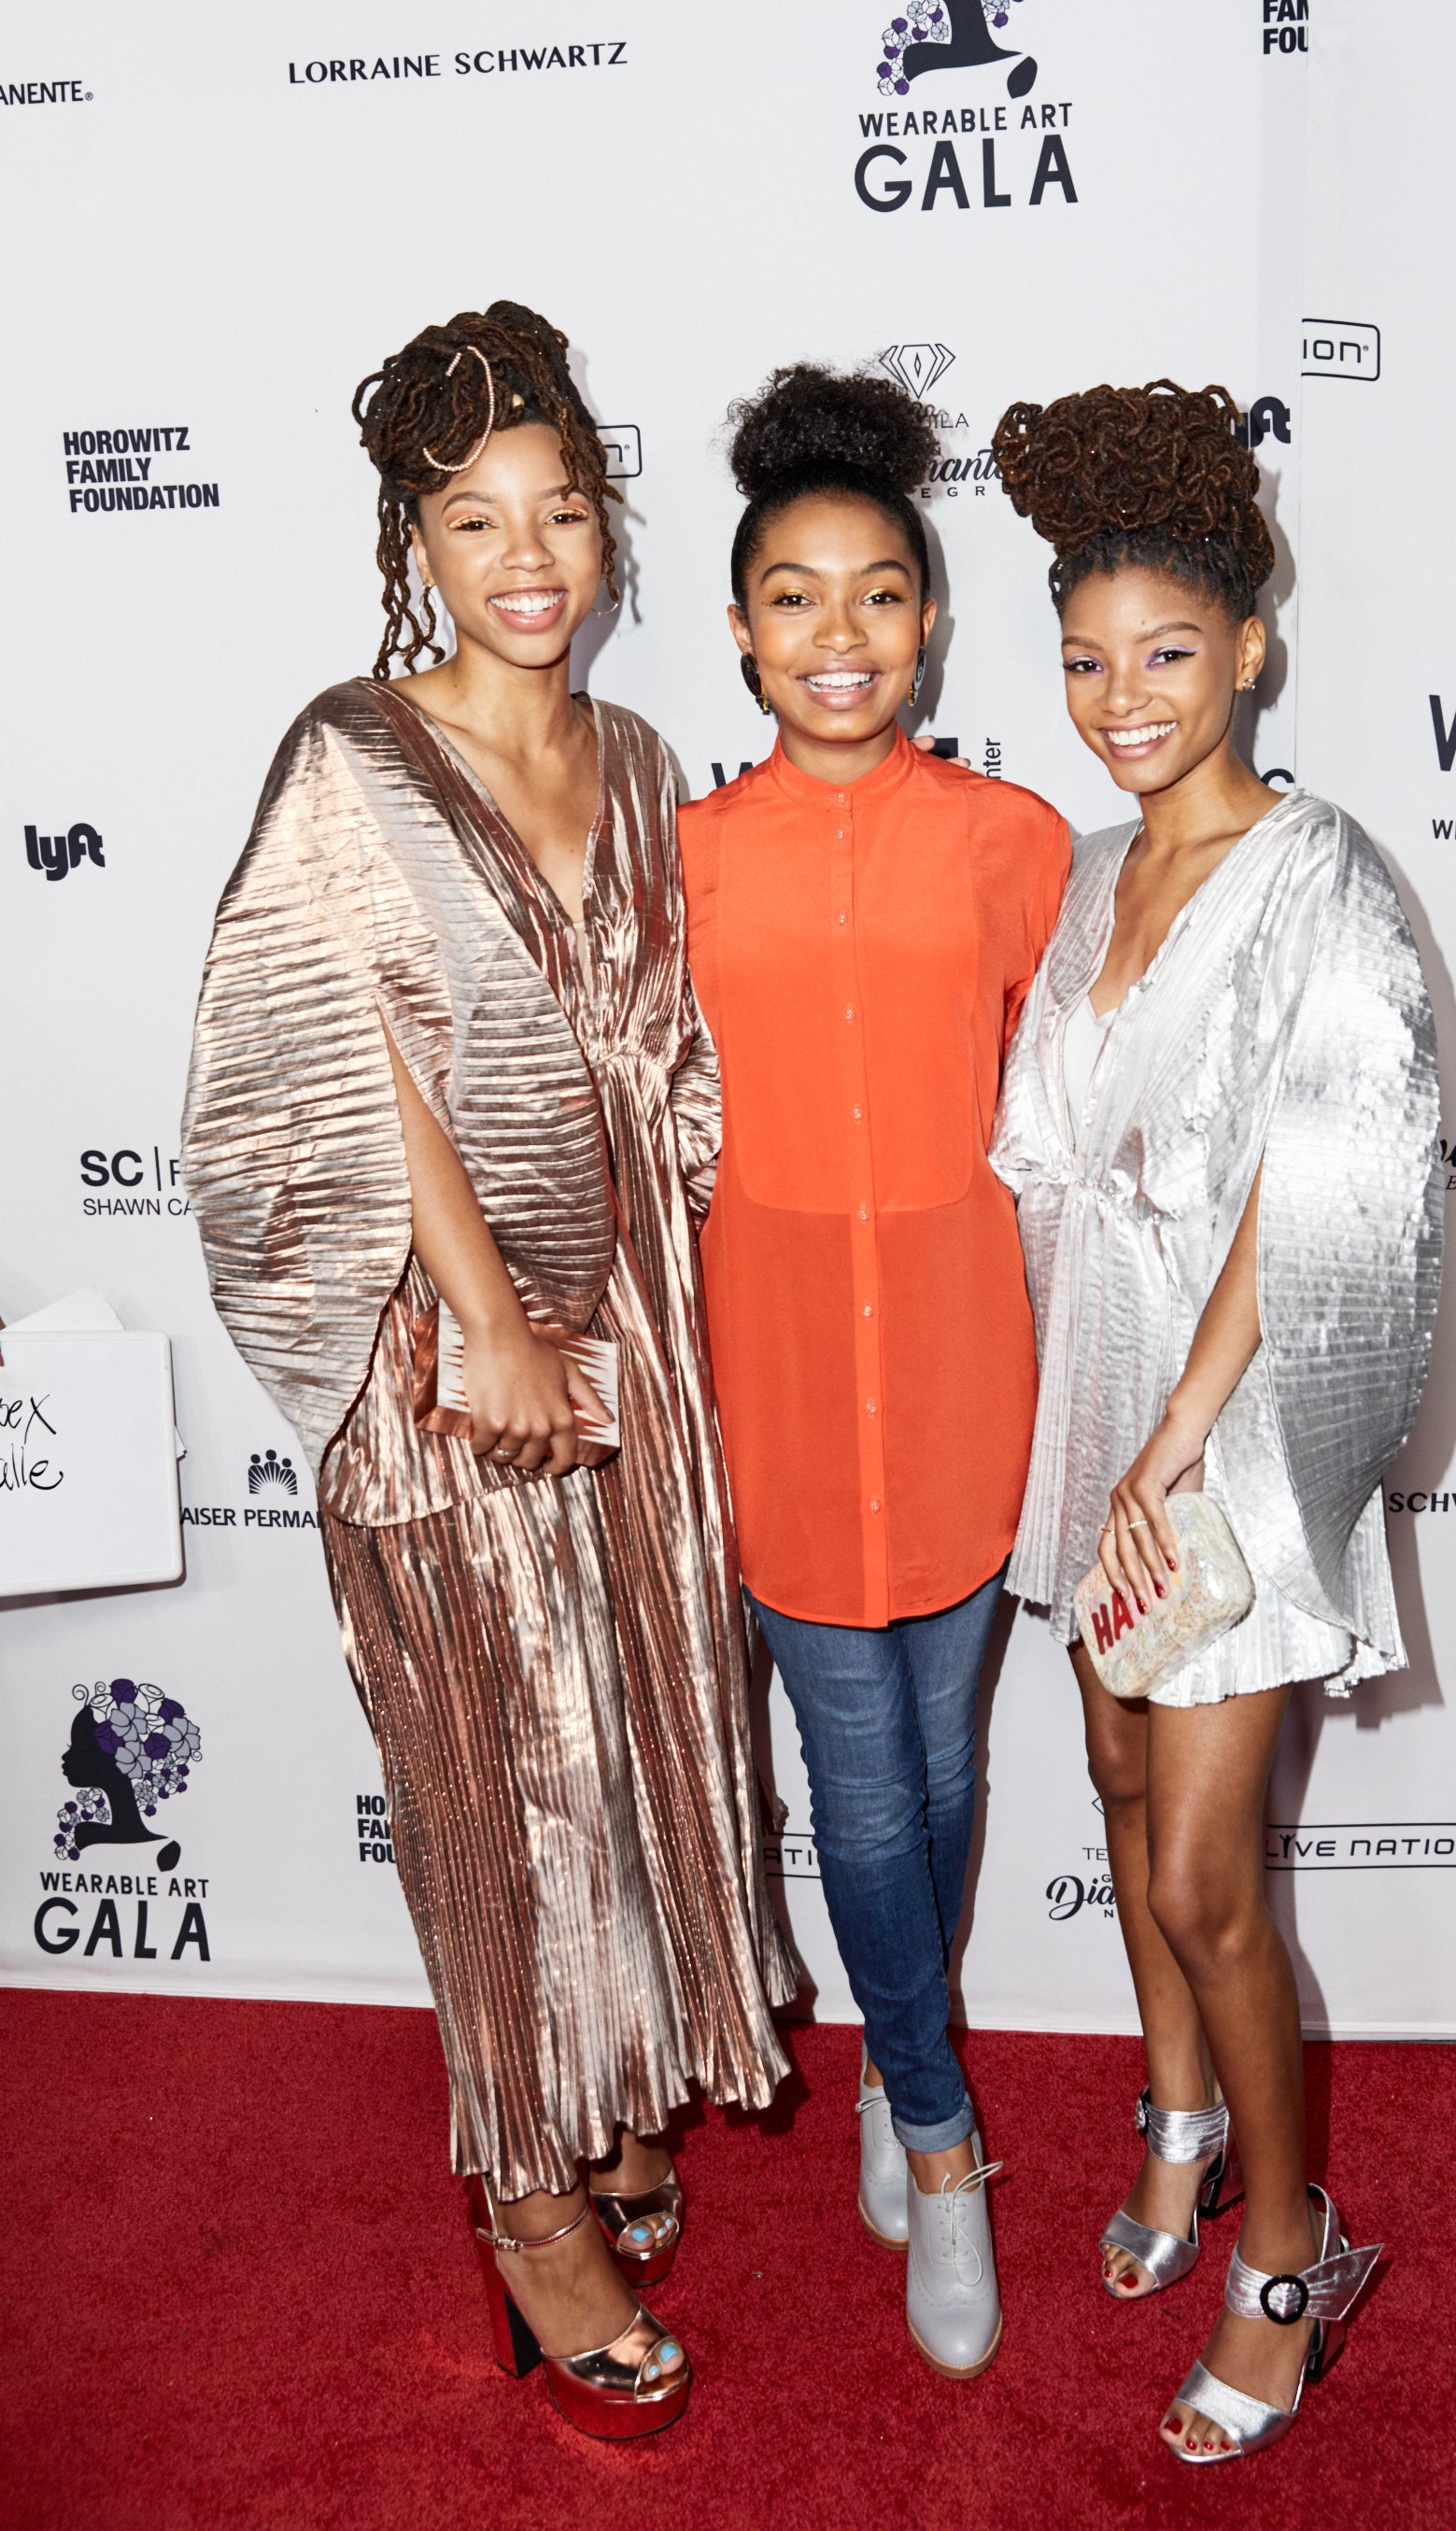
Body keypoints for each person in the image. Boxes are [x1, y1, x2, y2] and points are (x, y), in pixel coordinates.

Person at [182, 302, 796, 2442]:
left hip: (636, 1331)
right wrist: (493, 1318)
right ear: (413, 544)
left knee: (618, 1732)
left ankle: (608, 2083)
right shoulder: (352, 751)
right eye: (474, 520)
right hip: (446, 1362)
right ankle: (530, 2201)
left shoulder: (636, 758)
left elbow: (665, 1058)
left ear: (607, 523)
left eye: (560, 511)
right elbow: (342, 1058)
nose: (526, 558)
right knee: (492, 1770)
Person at [988, 379, 1442, 2462]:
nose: (1123, 700)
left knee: (1200, 1876)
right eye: (1086, 662)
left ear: (1251, 649)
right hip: (1095, 1394)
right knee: (1109, 1773)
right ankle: (1175, 2114)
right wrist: (1084, 1433)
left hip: (1229, 1426)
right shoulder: (1091, 874)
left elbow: (1320, 1167)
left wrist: (1179, 1432)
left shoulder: (1319, 868)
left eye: (1166, 654)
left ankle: (1288, 2247)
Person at [677, 365, 1072, 2378]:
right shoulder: (674, 859)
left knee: (939, 1772)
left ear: (930, 620)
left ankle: (895, 2052)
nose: (840, 635)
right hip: (771, 1387)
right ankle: (935, 2133)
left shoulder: (1018, 842)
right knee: (855, 1782)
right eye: (795, 597)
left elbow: (1076, 1125)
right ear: (740, 631)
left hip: (961, 1375)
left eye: (880, 594)